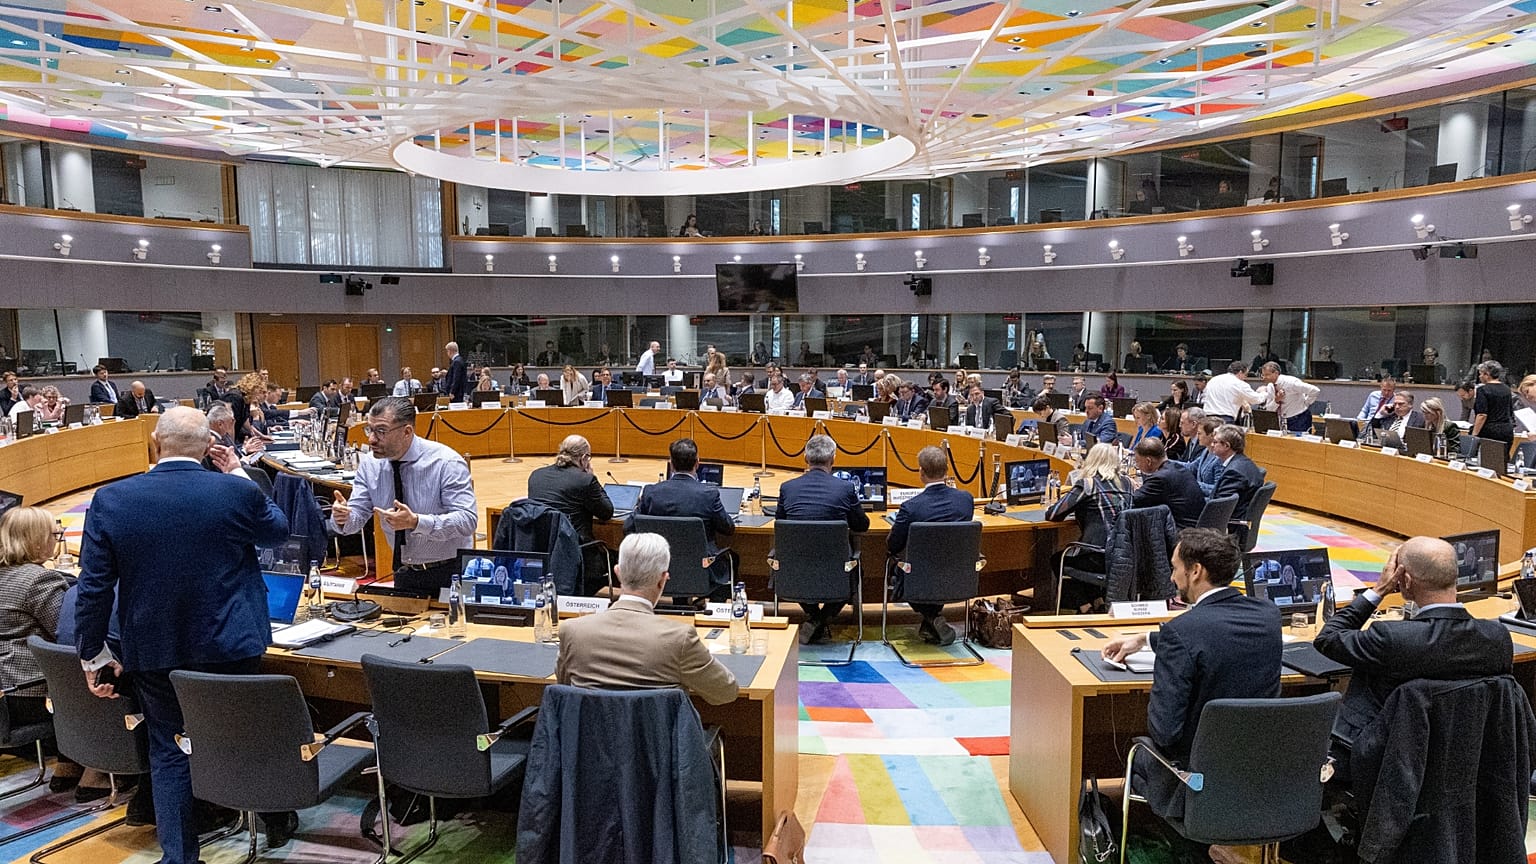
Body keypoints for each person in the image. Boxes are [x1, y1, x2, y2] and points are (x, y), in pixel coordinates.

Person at [75, 407, 293, 864]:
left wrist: (92, 654)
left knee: (170, 751)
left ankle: (180, 858)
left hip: (154, 649)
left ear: (156, 441)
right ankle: (272, 820)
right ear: (209, 444)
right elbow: (277, 532)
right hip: (232, 643)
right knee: (244, 735)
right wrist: (240, 474)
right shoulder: (234, 493)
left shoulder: (112, 499)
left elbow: (93, 587)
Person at [1101, 528, 1281, 839]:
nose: (1172, 577)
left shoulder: (1183, 631)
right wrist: (1146, 639)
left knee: (1139, 751)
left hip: (1194, 780)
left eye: (1175, 568)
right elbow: (1216, 635)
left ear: (1195, 571)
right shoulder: (1268, 615)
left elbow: (1165, 733)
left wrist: (1168, 643)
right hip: (1260, 771)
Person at [1313, 536, 1510, 781]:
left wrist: (1378, 590)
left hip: (1385, 763)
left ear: (1403, 579)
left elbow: (1327, 638)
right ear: (1454, 576)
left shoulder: (1392, 639)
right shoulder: (1496, 638)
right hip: (1464, 764)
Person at [556, 533, 737, 705]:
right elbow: (726, 692)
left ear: (617, 573)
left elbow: (564, 688)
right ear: (662, 580)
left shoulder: (572, 631)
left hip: (588, 737)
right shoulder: (679, 638)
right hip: (657, 738)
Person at [331, 397, 477, 592]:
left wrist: (417, 522)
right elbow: (356, 517)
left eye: (381, 431)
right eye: (370, 429)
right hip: (403, 571)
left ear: (407, 432)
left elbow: (467, 521)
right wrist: (343, 517)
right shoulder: (370, 464)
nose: (371, 439)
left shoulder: (446, 463)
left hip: (449, 572)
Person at [775, 435, 870, 644]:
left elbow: (780, 523)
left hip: (794, 569)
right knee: (855, 571)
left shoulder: (787, 488)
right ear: (833, 460)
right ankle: (821, 619)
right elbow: (862, 525)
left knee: (790, 564)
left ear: (804, 458)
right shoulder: (845, 489)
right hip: (836, 570)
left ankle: (814, 618)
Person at [625, 438, 735, 599]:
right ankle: (718, 612)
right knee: (732, 559)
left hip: (658, 569)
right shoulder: (708, 494)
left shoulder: (651, 493)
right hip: (701, 569)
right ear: (697, 463)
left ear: (671, 464)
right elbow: (728, 528)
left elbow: (628, 527)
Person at [886, 446, 975, 645]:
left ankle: (933, 618)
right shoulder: (966, 500)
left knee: (902, 566)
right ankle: (932, 622)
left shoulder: (911, 507)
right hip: (958, 573)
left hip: (920, 577)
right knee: (939, 562)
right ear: (947, 471)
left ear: (921, 473)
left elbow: (893, 545)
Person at [1045, 443, 1134, 612]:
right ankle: (1098, 602)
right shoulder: (1128, 484)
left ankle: (1084, 607)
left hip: (1099, 556)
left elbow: (1053, 514)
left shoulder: (1088, 485)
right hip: (1125, 555)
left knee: (1059, 559)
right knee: (1084, 557)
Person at [528, 434, 614, 588]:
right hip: (577, 554)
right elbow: (607, 512)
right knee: (615, 558)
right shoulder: (585, 480)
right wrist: (592, 477)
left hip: (541, 550)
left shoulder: (536, 476)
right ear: (584, 458)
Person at [1131, 438, 1206, 528]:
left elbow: (1134, 501)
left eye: (1137, 461)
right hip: (1199, 526)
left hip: (1182, 531)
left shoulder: (1159, 478)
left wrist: (1129, 485)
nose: (1137, 465)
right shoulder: (1178, 468)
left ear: (1148, 461)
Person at [1208, 424, 1266, 522]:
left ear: (1226, 446)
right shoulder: (1244, 462)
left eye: (1215, 442)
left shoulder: (1234, 472)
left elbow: (1220, 507)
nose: (1211, 445)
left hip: (1228, 525)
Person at [1255, 361, 1319, 434]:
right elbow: (1269, 409)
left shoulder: (1291, 382)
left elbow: (1315, 390)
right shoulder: (1270, 386)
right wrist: (1276, 400)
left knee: (1299, 444)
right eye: (1263, 375)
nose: (1264, 378)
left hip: (1299, 418)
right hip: (1282, 420)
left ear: (1276, 373)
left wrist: (1306, 403)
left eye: (1267, 375)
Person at [1471, 360, 1515, 447]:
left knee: (1487, 458)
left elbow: (1482, 415)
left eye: (1481, 374)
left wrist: (1474, 434)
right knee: (1503, 458)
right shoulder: (1507, 389)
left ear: (1487, 374)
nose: (1479, 376)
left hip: (1490, 431)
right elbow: (1510, 411)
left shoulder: (1483, 390)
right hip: (1506, 430)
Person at [1183, 418, 1224, 495]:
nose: (1197, 438)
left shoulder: (1219, 458)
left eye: (1199, 433)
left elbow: (1217, 489)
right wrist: (1166, 461)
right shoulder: (1206, 451)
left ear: (1212, 435)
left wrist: (1192, 484)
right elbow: (1191, 467)